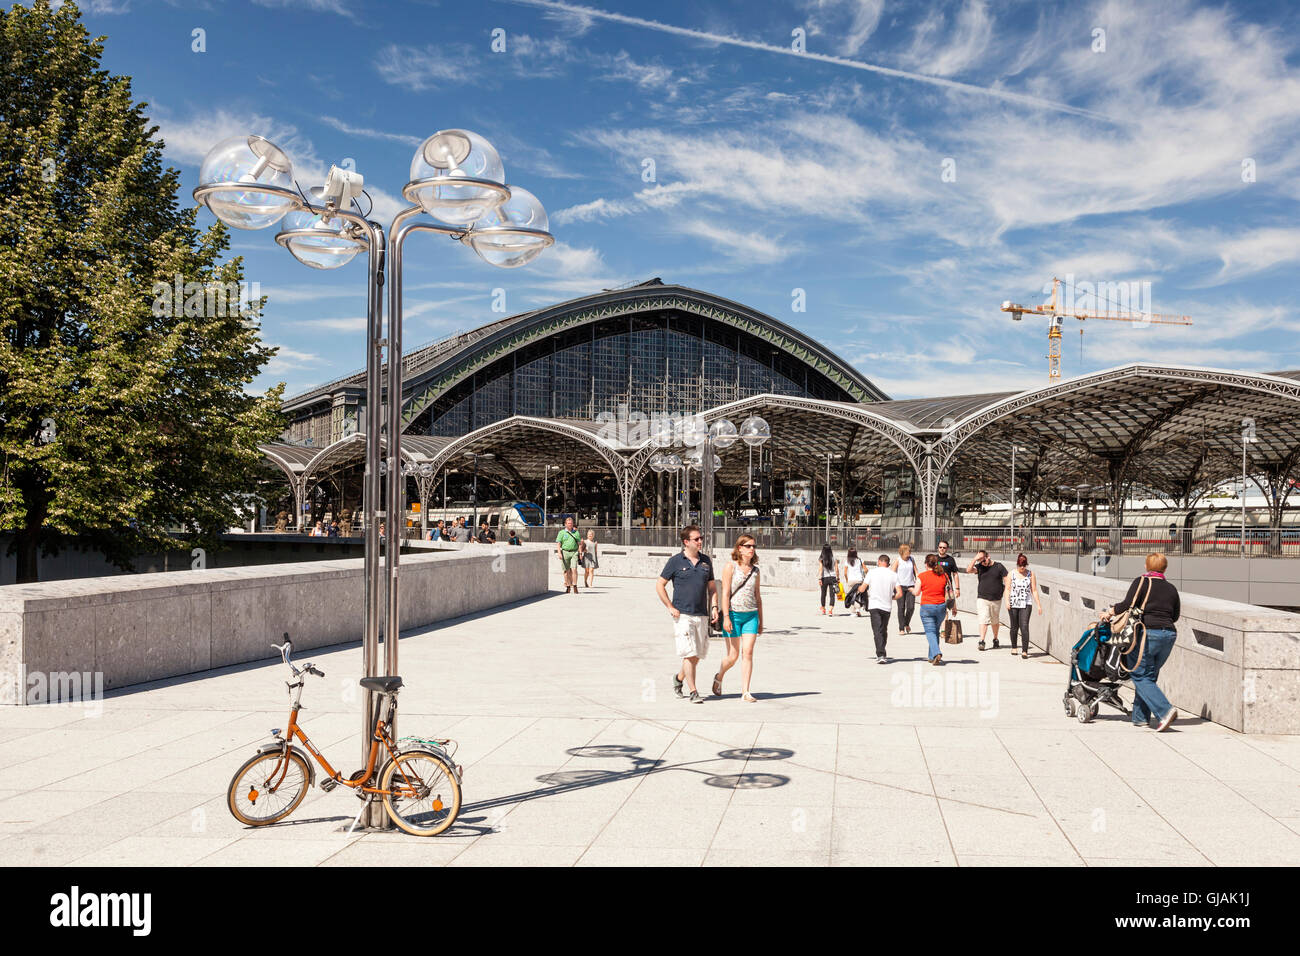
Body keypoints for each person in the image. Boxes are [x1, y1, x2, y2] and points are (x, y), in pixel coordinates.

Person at [1100, 553, 1181, 731]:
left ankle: (1165, 711)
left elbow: (1127, 604)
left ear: (1146, 566)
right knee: (1149, 676)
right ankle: (1140, 717)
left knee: (1140, 675)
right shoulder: (1172, 588)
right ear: (1165, 568)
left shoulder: (1142, 582)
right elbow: (1175, 616)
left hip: (1146, 633)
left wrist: (1110, 612)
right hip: (1168, 635)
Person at [656, 525, 718, 704]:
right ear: (686, 542)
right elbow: (660, 585)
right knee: (689, 653)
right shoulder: (675, 561)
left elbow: (712, 588)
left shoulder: (706, 561)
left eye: (701, 538)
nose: (700, 542)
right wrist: (670, 606)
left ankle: (679, 678)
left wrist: (714, 607)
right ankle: (693, 691)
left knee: (696, 655)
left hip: (702, 614)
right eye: (696, 539)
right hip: (682, 615)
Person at [714, 533, 762, 702]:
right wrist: (726, 617)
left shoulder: (755, 571)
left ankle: (745, 691)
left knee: (747, 652)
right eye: (748, 546)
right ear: (740, 548)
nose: (752, 549)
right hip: (733, 615)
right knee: (733, 656)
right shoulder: (730, 567)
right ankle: (719, 676)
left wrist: (761, 620)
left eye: (753, 546)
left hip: (751, 616)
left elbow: (758, 596)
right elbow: (725, 593)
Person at [864, 554, 904, 663]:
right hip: (887, 606)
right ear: (888, 563)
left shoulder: (871, 572)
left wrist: (857, 589)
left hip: (874, 606)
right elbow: (900, 593)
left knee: (877, 630)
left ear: (878, 561)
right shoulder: (893, 575)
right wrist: (892, 597)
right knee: (883, 630)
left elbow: (863, 588)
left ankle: (880, 655)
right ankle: (882, 652)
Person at [966, 549, 1009, 651]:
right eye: (980, 560)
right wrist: (975, 559)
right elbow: (968, 570)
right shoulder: (979, 567)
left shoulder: (999, 566)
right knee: (983, 619)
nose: (982, 562)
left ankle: (995, 639)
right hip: (982, 598)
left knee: (995, 620)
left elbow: (1007, 581)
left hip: (996, 599)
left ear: (988, 556)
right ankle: (982, 641)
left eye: (983, 559)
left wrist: (1006, 594)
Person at [1005, 553, 1043, 658]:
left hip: (1026, 603)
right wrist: (1007, 601)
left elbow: (1034, 590)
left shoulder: (1030, 574)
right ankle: (1014, 647)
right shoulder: (1011, 574)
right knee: (1014, 626)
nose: (1022, 567)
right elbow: (1007, 589)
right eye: (1020, 565)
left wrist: (1039, 605)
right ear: (1017, 564)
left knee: (1024, 626)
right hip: (1013, 603)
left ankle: (1025, 650)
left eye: (1024, 565)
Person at [916, 553, 949, 665]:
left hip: (927, 607)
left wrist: (911, 590)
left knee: (930, 631)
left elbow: (916, 592)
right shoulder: (944, 575)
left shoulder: (922, 576)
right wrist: (954, 607)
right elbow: (950, 592)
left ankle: (936, 652)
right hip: (941, 607)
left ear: (926, 564)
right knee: (935, 631)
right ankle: (931, 656)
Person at [891, 544, 918, 634]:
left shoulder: (911, 559)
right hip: (900, 587)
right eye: (908, 552)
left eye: (910, 552)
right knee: (901, 607)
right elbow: (892, 573)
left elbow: (916, 572)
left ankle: (906, 623)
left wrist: (918, 581)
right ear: (902, 552)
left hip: (911, 586)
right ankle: (901, 628)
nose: (909, 553)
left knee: (911, 607)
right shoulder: (898, 560)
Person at [556, 516, 582, 594]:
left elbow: (579, 544)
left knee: (574, 569)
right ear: (565, 524)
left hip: (574, 552)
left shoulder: (576, 532)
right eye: (568, 523)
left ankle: (575, 586)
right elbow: (558, 544)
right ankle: (567, 586)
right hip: (565, 552)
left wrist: (580, 553)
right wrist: (559, 553)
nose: (570, 525)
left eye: (571, 523)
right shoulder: (561, 532)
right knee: (566, 571)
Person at [841, 547, 866, 617]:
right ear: (856, 553)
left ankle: (853, 612)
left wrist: (847, 580)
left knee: (851, 596)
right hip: (859, 580)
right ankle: (858, 609)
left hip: (851, 580)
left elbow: (845, 573)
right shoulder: (860, 560)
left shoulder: (847, 561)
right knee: (858, 596)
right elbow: (866, 569)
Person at [816, 544, 837, 615]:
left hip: (824, 578)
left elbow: (821, 569)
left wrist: (819, 578)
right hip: (833, 578)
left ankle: (823, 609)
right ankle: (830, 610)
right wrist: (838, 578)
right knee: (832, 594)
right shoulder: (834, 558)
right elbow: (837, 569)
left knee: (823, 594)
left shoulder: (821, 558)